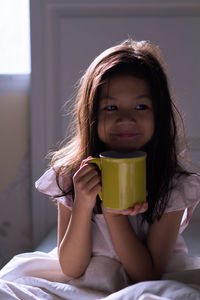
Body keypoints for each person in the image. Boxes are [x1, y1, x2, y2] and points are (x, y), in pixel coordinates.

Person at [36, 39, 200, 286]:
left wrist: (113, 213)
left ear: (160, 114)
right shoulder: (72, 176)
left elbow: (146, 275)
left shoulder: (172, 186)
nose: (126, 118)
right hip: (87, 281)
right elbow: (71, 268)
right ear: (91, 114)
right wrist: (83, 204)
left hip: (148, 284)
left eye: (140, 106)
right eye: (111, 107)